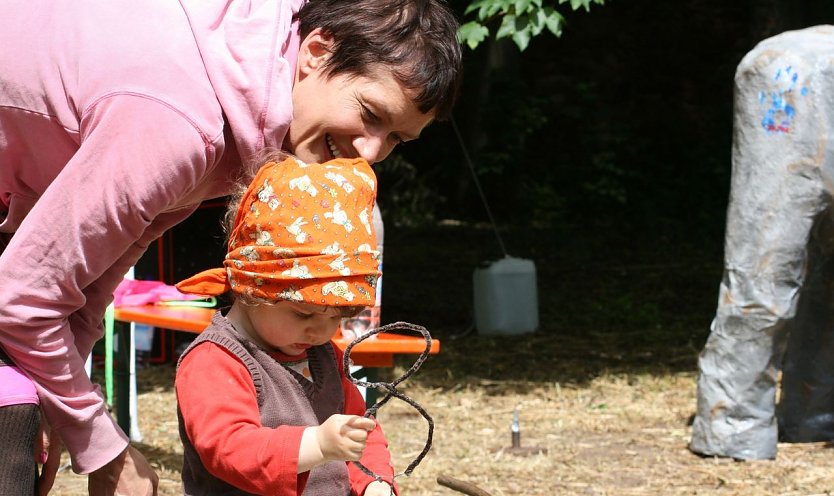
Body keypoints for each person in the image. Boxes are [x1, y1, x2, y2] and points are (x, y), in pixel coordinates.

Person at [0, 0, 462, 493]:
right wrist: (104, 449)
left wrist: (59, 398)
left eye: (396, 138)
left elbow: (93, 283)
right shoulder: (181, 123)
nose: (371, 153)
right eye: (370, 114)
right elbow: (21, 299)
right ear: (318, 51)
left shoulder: (238, 108)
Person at [175, 153, 393, 495]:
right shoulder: (215, 360)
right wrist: (317, 445)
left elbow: (360, 431)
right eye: (303, 314)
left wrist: (373, 482)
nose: (321, 332)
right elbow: (227, 448)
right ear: (253, 291)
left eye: (336, 317)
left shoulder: (324, 355)